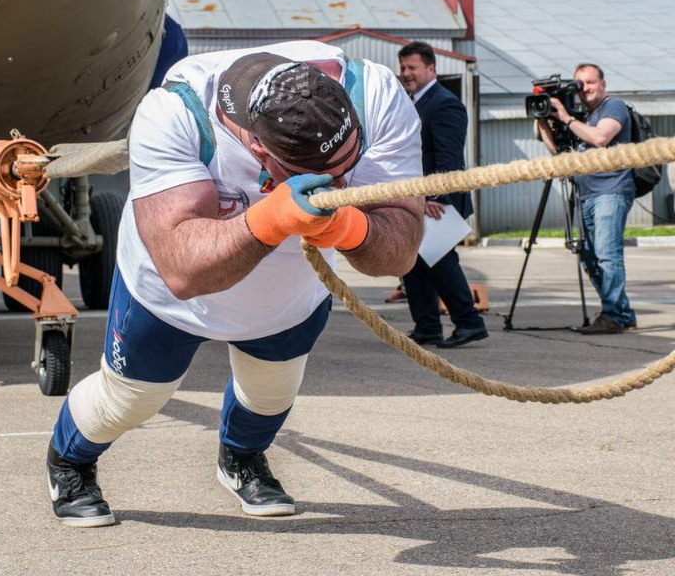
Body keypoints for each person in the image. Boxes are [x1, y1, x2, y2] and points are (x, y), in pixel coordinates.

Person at [46, 40, 424, 527]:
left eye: (349, 166)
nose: (340, 183)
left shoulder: (374, 94)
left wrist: (348, 226)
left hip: (289, 296)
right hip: (170, 300)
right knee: (130, 399)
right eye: (323, 174)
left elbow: (401, 248)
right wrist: (270, 219)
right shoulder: (175, 114)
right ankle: (69, 463)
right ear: (257, 147)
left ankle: (241, 460)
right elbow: (183, 270)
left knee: (270, 396)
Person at [397, 41, 488, 348]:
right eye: (403, 68)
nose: (406, 73)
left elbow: (449, 158)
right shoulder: (412, 101)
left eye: (413, 68)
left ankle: (469, 322)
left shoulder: (444, 103)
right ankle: (427, 327)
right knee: (413, 264)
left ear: (431, 69)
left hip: (438, 200)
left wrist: (436, 197)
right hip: (417, 198)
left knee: (441, 262)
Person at [539, 63, 637, 334]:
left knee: (607, 255)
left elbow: (600, 137)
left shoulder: (612, 107)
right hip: (586, 193)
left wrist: (568, 118)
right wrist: (544, 118)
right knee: (589, 257)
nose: (585, 89)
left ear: (603, 84)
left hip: (612, 190)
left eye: (590, 83)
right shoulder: (584, 115)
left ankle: (613, 316)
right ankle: (622, 312)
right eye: (580, 84)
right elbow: (557, 151)